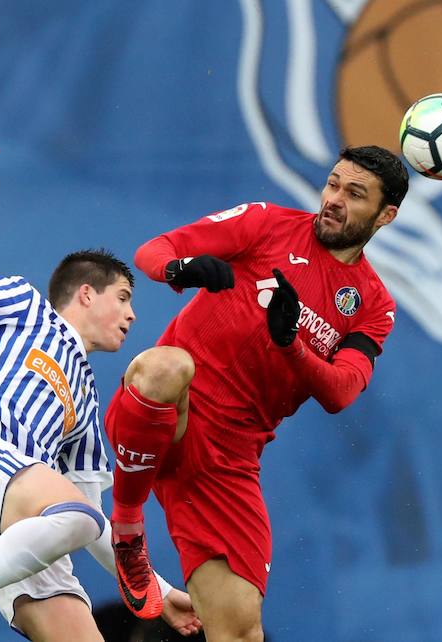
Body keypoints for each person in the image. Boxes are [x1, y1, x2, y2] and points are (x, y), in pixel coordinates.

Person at [103, 145, 408, 641]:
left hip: (228, 460)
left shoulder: (373, 303)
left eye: (355, 194)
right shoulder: (266, 222)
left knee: (241, 634)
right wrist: (181, 270)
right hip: (166, 413)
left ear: (385, 215)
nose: (333, 199)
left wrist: (292, 346)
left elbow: (342, 391)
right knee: (165, 365)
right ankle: (127, 526)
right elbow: (153, 251)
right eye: (333, 184)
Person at [0, 147, 201, 642]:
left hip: (15, 525)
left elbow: (90, 524)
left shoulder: (85, 400)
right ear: (86, 293)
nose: (131, 316)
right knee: (74, 515)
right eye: (123, 298)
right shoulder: (25, 306)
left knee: (78, 533)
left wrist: (160, 590)